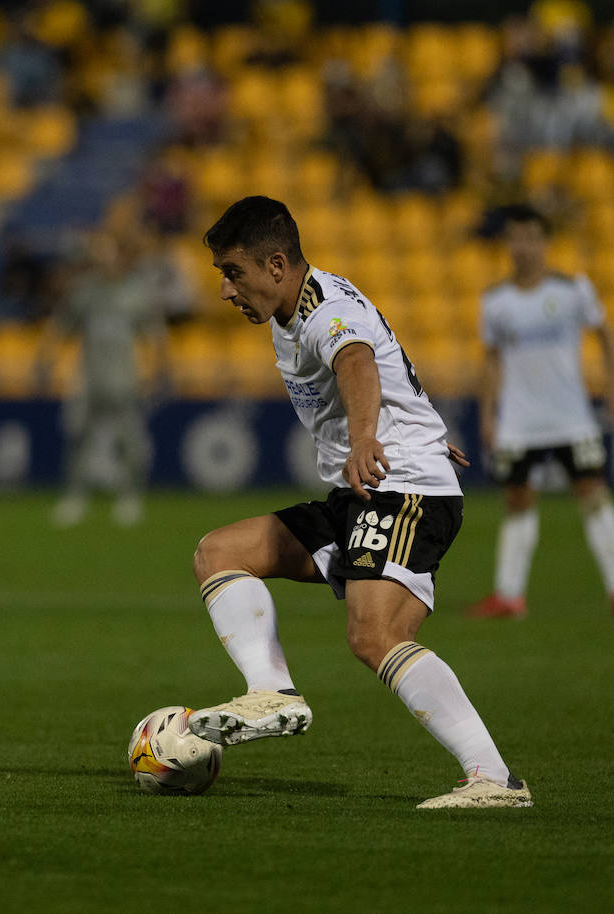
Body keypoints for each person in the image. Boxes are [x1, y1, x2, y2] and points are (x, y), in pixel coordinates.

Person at [190, 196, 531, 809]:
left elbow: (356, 359)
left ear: (275, 265)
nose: (224, 290)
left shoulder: (325, 311)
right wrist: (417, 423)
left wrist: (371, 435)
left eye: (231, 272)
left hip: (399, 485)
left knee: (374, 634)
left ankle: (495, 780)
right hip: (367, 488)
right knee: (219, 552)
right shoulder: (287, 310)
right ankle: (272, 693)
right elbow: (383, 355)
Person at [468, 204, 614, 619]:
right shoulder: (496, 300)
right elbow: (491, 361)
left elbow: (606, 335)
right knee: (518, 502)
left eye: (530, 238)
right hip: (519, 423)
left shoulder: (572, 289)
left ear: (544, 242)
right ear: (508, 244)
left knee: (593, 496)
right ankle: (509, 596)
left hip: (571, 417)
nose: (523, 247)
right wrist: (489, 413)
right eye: (515, 239)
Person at [36, 229, 171, 528]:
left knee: (128, 439)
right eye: (102, 256)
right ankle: (74, 497)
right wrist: (46, 359)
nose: (107, 262)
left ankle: (130, 497)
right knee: (78, 434)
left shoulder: (136, 292)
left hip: (124, 375)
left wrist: (160, 368)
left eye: (112, 256)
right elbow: (61, 325)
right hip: (87, 375)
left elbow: (154, 333)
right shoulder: (85, 291)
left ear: (122, 259)